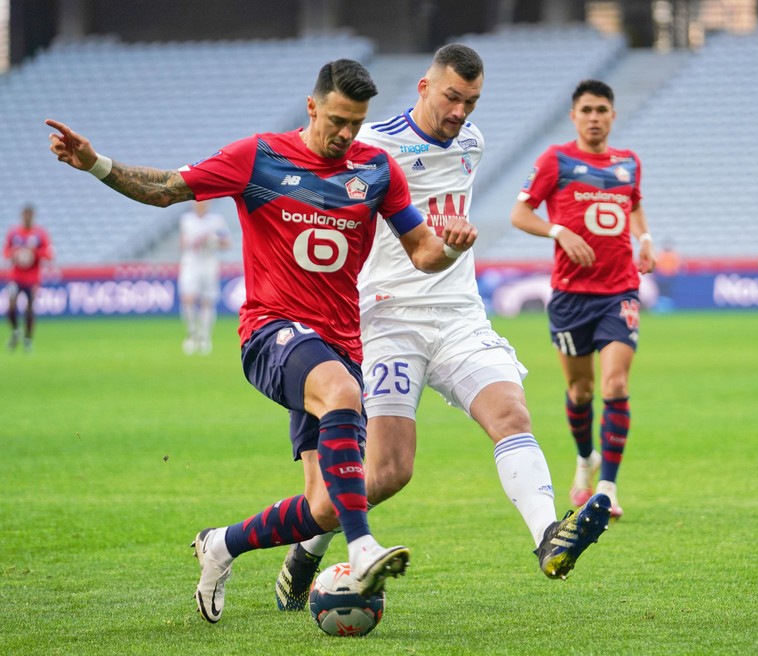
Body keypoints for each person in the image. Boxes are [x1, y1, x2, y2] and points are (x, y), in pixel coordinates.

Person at [45, 58, 477, 624]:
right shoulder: (259, 157)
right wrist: (96, 164)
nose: (346, 134)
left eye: (356, 123)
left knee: (323, 506)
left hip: (340, 344)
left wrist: (450, 247)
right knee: (343, 394)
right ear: (313, 106)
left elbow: (422, 250)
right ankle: (364, 547)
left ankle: (221, 543)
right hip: (272, 331)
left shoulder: (376, 168)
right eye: (338, 120)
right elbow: (168, 190)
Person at [273, 45, 612, 612]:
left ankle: (549, 537)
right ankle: (309, 547)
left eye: (472, 102)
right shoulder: (371, 145)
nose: (460, 112)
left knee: (512, 414)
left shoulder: (472, 142)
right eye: (452, 97)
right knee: (385, 473)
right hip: (386, 320)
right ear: (424, 87)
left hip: (458, 316)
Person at [510, 79, 655, 520]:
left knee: (614, 385)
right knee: (580, 389)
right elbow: (520, 213)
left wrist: (644, 237)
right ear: (574, 116)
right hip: (571, 297)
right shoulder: (556, 160)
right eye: (587, 110)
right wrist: (559, 230)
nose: (595, 118)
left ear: (613, 115)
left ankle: (607, 487)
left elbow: (632, 205)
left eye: (602, 110)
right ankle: (585, 458)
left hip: (619, 292)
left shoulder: (629, 163)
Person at [178, 200, 232, 355]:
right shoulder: (186, 219)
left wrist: (214, 241)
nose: (200, 205)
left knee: (207, 301)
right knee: (188, 298)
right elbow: (182, 242)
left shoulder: (216, 221)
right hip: (191, 263)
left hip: (209, 264)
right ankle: (192, 333)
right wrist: (193, 242)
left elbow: (227, 243)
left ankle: (205, 337)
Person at [2, 204, 54, 353]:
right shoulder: (14, 233)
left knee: (30, 309)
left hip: (32, 278)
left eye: (29, 215)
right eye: (25, 215)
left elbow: (49, 254)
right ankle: (15, 331)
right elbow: (5, 252)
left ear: (33, 216)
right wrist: (14, 254)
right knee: (11, 305)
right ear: (22, 216)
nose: (27, 218)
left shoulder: (40, 234)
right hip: (15, 277)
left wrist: (35, 253)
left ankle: (28, 339)